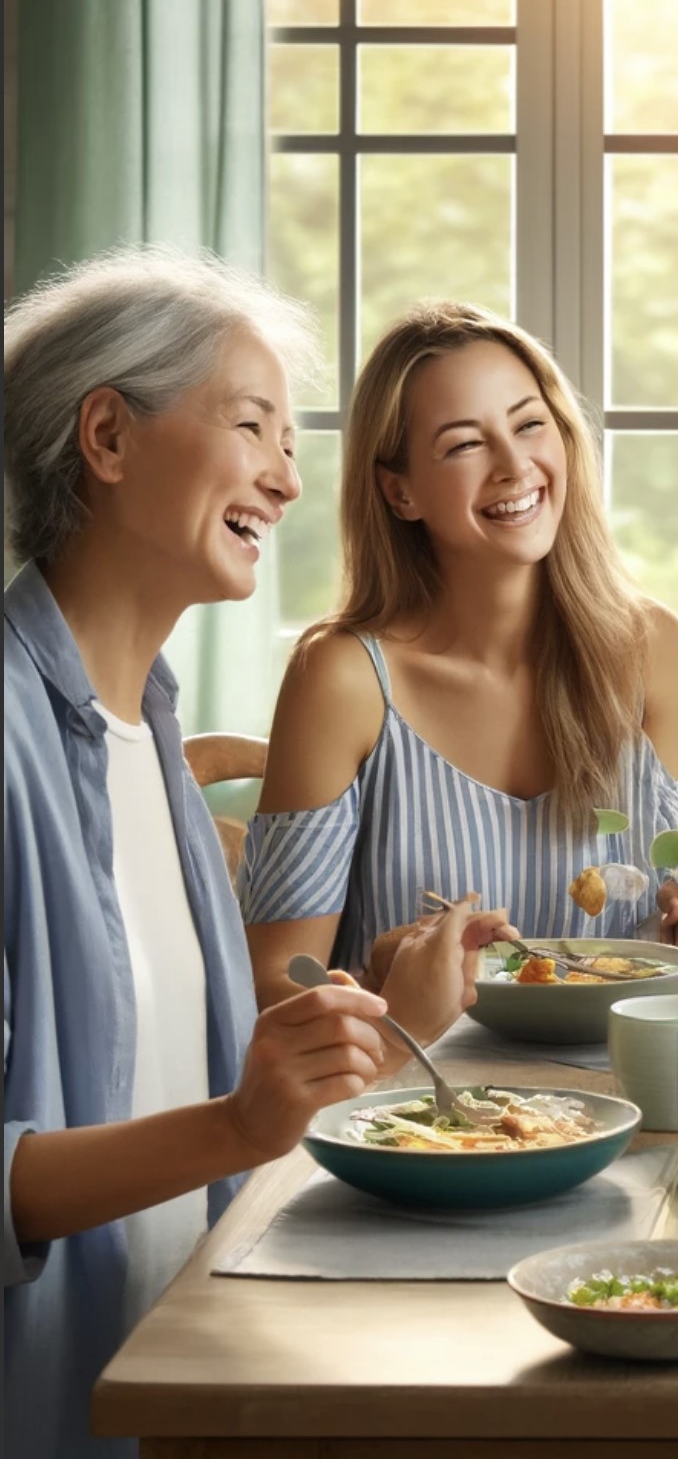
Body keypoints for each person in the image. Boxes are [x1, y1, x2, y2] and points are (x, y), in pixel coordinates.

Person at [2, 248, 503, 1459]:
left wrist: (390, 1029)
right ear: (109, 436)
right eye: (251, 425)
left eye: (291, 438)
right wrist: (240, 1123)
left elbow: (175, 1080)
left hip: (187, 1385)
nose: (286, 478)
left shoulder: (156, 733)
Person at [242, 301, 678, 1011]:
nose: (514, 464)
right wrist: (380, 974)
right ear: (399, 491)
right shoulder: (343, 676)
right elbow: (277, 981)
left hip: (628, 1091)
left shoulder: (651, 648)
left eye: (529, 424)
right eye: (465, 444)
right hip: (415, 1103)